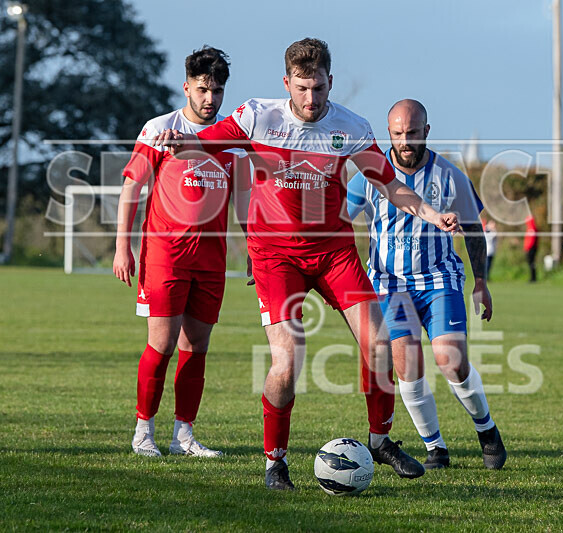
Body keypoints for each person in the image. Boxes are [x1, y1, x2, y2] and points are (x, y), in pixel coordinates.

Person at [153, 39, 460, 490]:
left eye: (318, 88)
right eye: (302, 88)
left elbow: (391, 184)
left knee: (379, 344)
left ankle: (380, 440)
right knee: (288, 360)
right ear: (287, 84)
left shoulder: (350, 127)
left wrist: (433, 214)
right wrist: (181, 140)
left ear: (330, 82)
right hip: (276, 256)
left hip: (334, 252)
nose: (311, 99)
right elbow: (204, 141)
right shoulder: (259, 116)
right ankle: (275, 461)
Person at [347, 99, 506, 470]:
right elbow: (337, 221)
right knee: (408, 363)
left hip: (439, 277)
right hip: (388, 282)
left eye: (413, 133)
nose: (405, 141)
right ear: (389, 133)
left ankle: (486, 430)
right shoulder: (369, 175)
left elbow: (473, 229)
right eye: (398, 133)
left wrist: (481, 281)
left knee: (451, 360)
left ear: (426, 132)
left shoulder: (449, 175)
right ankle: (435, 447)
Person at [113, 47, 251, 457]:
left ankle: (184, 436)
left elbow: (242, 199)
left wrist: (252, 248)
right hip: (165, 256)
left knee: (197, 347)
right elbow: (131, 188)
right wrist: (123, 247)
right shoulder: (160, 128)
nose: (211, 99)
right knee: (163, 344)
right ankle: (143, 433)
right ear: (186, 86)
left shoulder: (230, 139)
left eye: (219, 91)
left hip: (211, 261)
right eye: (204, 89)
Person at [524, 215, 537, 282]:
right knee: (530, 263)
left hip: (531, 249)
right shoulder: (530, 228)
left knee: (531, 263)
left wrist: (528, 247)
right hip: (530, 248)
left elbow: (531, 240)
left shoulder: (531, 228)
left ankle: (533, 278)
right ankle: (532, 277)